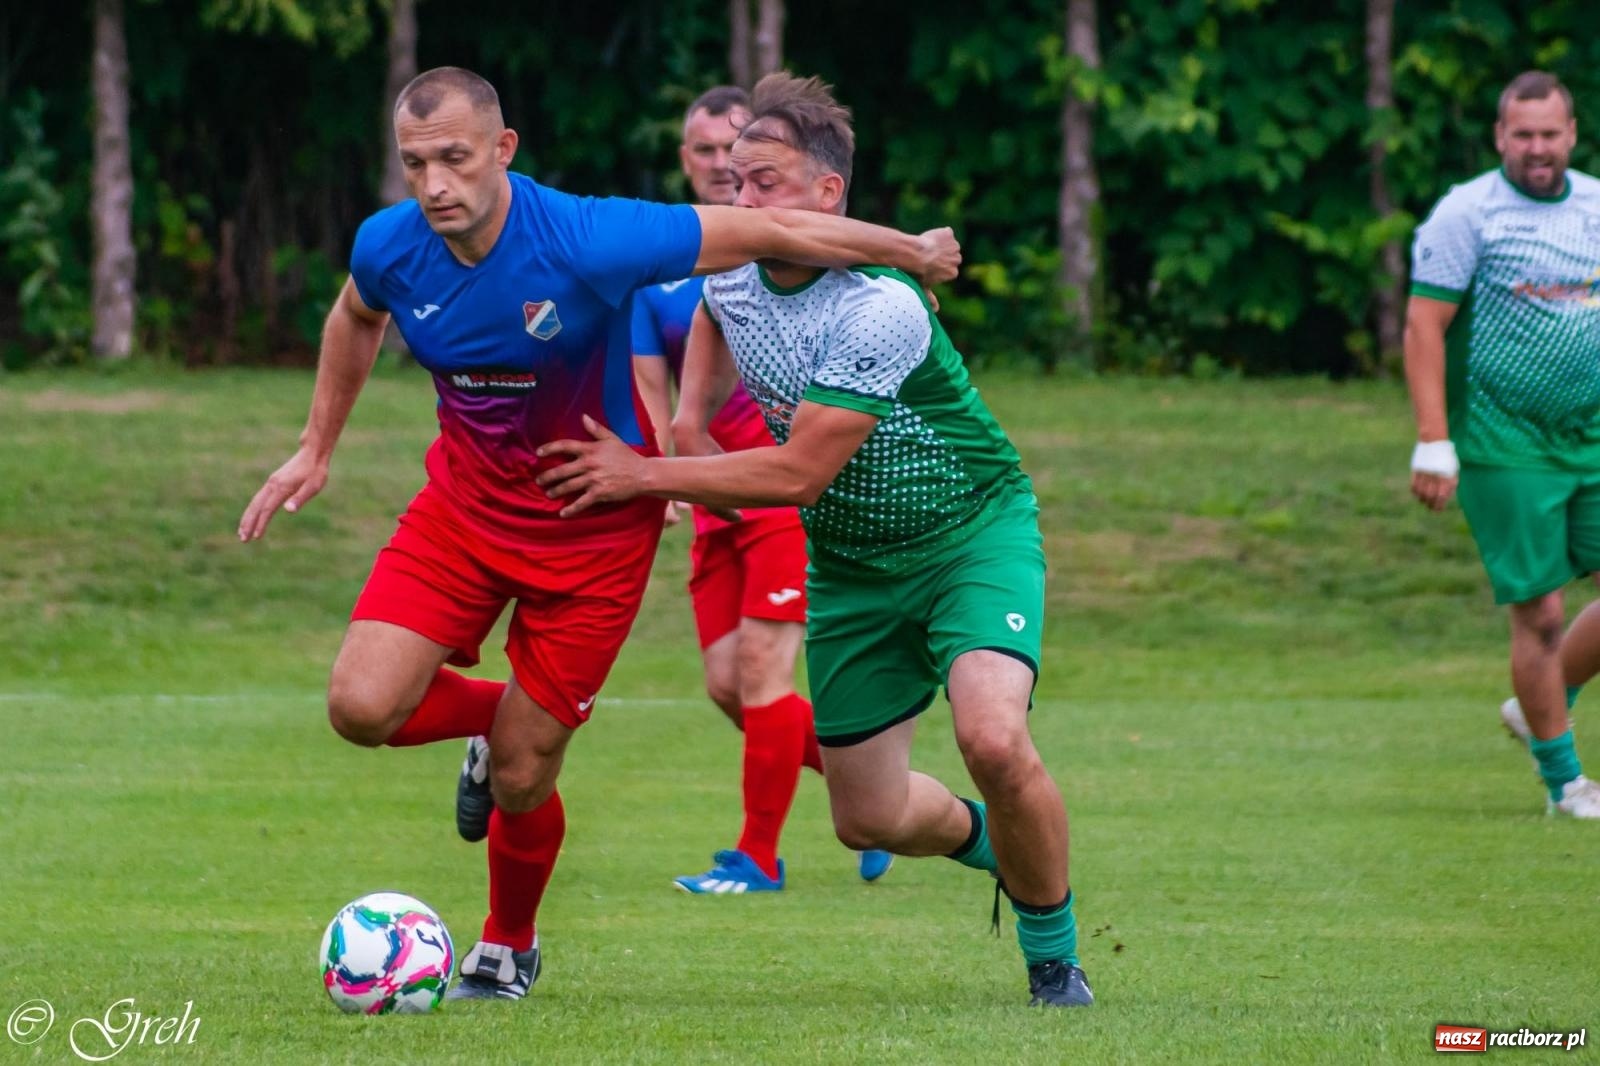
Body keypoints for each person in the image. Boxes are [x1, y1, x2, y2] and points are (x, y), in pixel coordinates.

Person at [236, 65, 961, 1003]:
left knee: (526, 772)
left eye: (455, 159)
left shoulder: (587, 237)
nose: (435, 185)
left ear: (502, 151)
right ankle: (500, 722)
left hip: (591, 531)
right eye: (415, 164)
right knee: (360, 707)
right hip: (460, 514)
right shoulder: (391, 247)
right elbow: (354, 315)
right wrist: (315, 446)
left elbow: (774, 228)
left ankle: (506, 949)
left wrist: (907, 249)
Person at [536, 72, 1092, 1007]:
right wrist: (676, 439)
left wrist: (646, 476)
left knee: (992, 739)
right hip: (850, 567)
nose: (740, 199)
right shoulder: (727, 284)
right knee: (866, 818)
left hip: (970, 538)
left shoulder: (881, 307)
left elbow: (797, 475)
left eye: (764, 182)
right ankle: (1007, 847)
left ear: (828, 196)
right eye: (734, 182)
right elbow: (698, 401)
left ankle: (1054, 957)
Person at [631, 85, 891, 893]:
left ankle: (758, 855)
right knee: (725, 684)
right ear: (687, 160)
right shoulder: (664, 270)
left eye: (735, 151)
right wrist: (668, 473)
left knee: (762, 670)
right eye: (705, 152)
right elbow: (654, 384)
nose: (721, 165)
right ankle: (878, 796)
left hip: (781, 486)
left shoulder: (805, 248)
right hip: (712, 488)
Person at [1405, 69, 1600, 819]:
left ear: (1572, 134)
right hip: (1502, 439)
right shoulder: (1468, 213)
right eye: (1523, 135)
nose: (1538, 148)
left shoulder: (1592, 206)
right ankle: (1566, 784)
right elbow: (1426, 326)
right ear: (1500, 138)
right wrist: (1433, 442)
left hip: (1590, 438)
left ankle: (1540, 705)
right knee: (1542, 613)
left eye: (1550, 134)